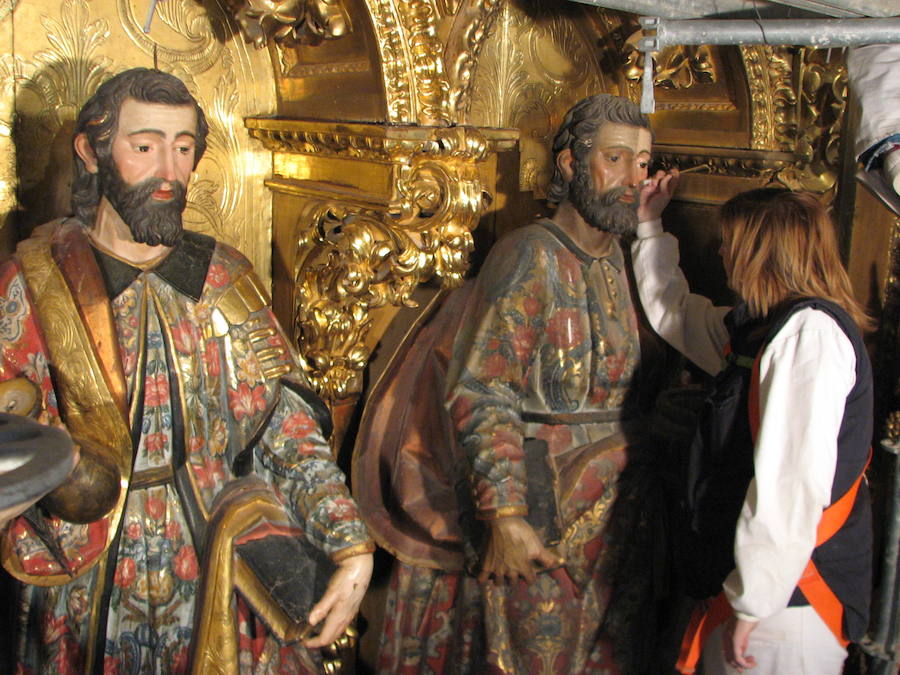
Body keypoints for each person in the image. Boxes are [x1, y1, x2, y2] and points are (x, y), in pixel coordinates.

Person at [0, 67, 374, 673]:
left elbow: (288, 432)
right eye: (144, 147)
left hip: (219, 562)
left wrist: (350, 543)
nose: (169, 172)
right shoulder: (35, 284)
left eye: (183, 149)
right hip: (86, 574)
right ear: (91, 152)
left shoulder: (223, 278)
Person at [361, 93, 673, 673]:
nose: (633, 177)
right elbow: (483, 387)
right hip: (545, 513)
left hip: (621, 522)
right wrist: (503, 515)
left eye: (643, 162)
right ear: (570, 164)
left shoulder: (618, 260)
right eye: (615, 159)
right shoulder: (531, 255)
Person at [632, 186, 874, 673]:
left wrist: (753, 603)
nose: (721, 251)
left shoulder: (811, 336)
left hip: (789, 603)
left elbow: (791, 481)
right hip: (760, 589)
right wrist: (648, 225)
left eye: (729, 241)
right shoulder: (764, 328)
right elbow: (677, 313)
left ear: (761, 251)